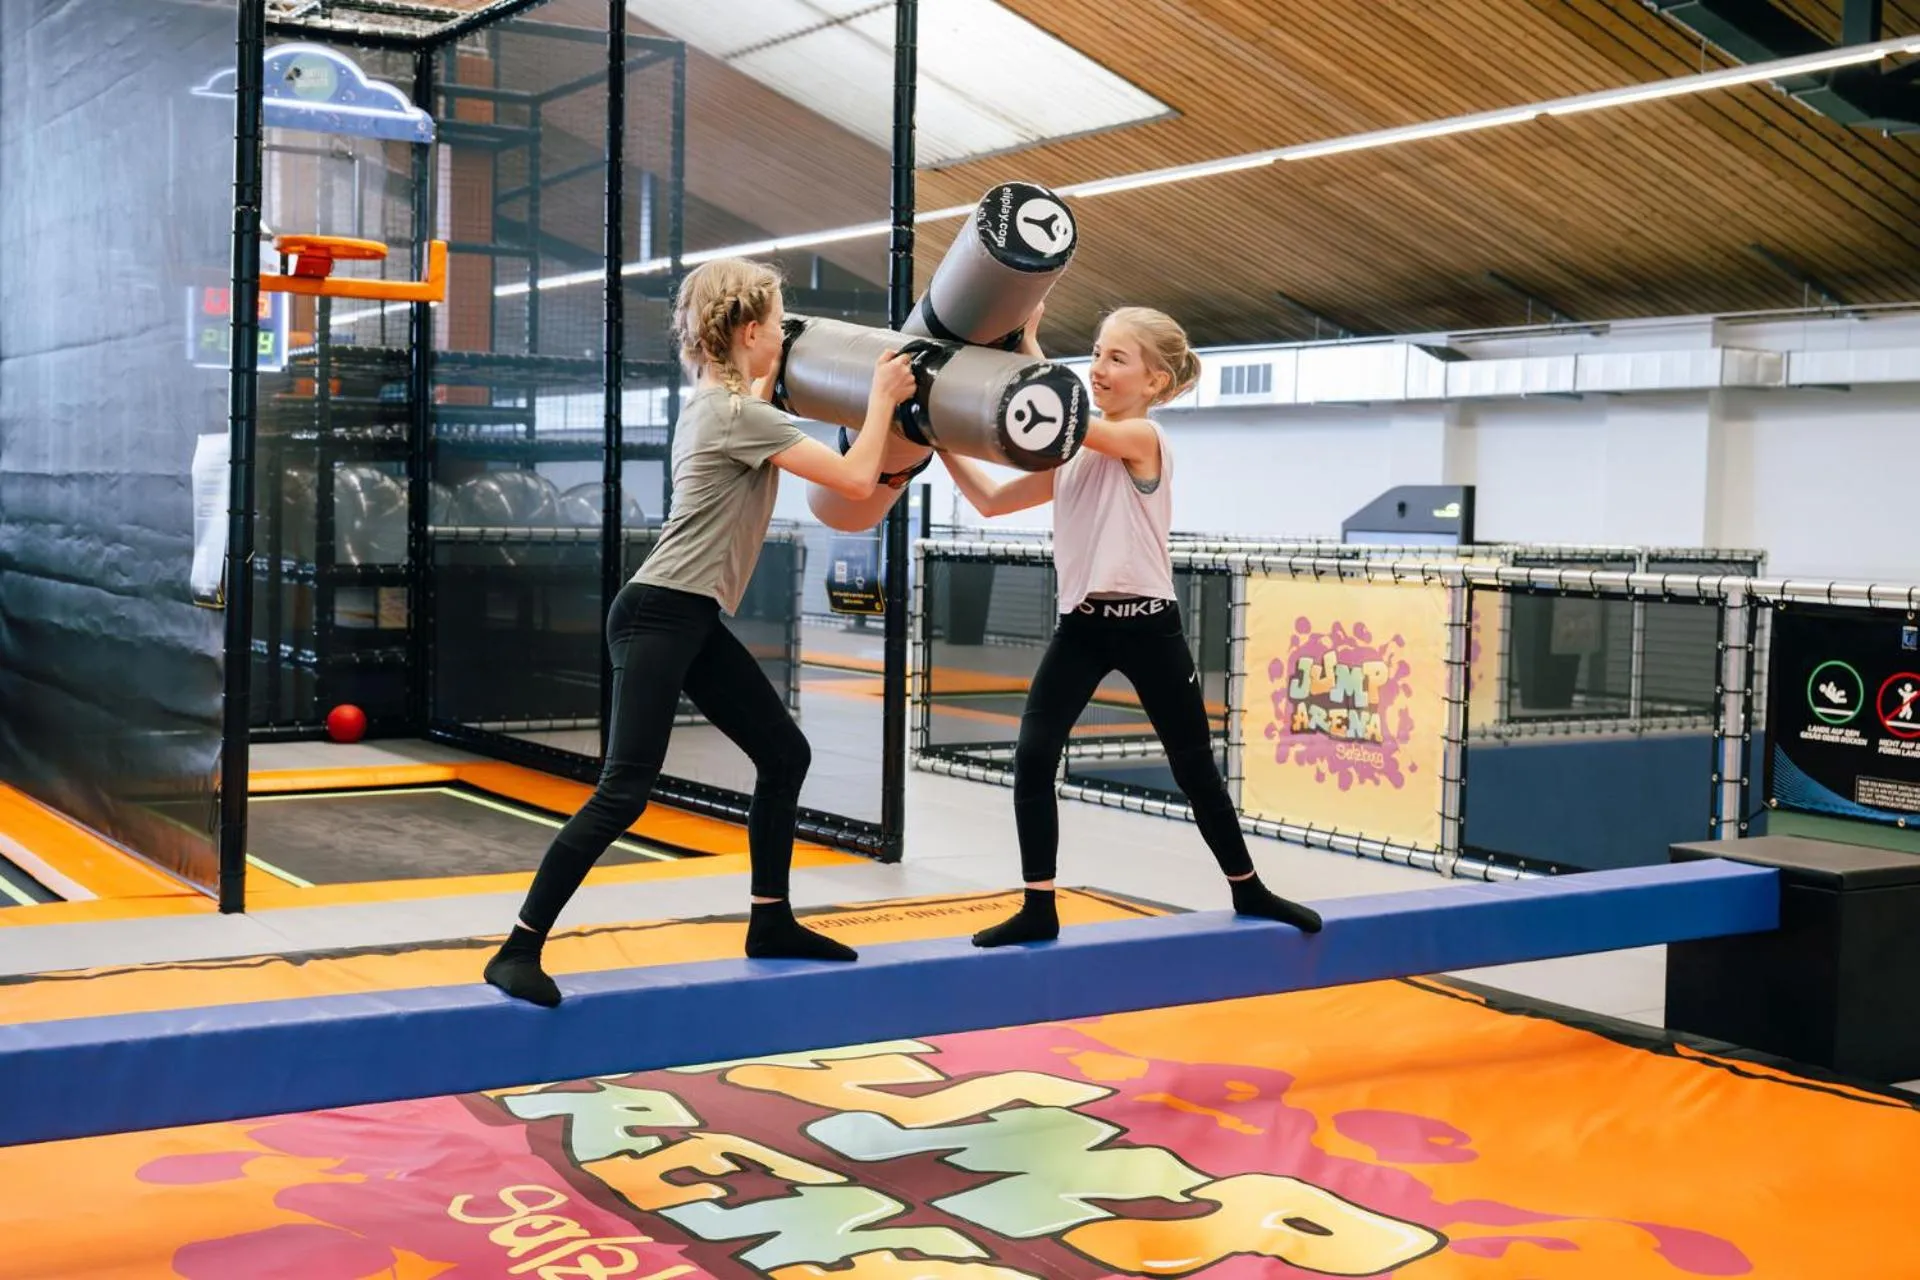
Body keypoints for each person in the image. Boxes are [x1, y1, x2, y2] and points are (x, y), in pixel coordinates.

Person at [485, 258, 917, 1006]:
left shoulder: (715, 403)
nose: (785, 336)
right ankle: (517, 949)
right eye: (778, 324)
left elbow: (757, 400)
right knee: (625, 790)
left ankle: (770, 920)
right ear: (749, 331)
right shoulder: (739, 415)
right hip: (662, 610)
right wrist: (881, 399)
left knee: (785, 754)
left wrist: (778, 375)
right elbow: (851, 480)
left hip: (686, 612)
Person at [939, 304, 1324, 946]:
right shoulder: (1071, 456)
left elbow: (1062, 417)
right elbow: (988, 500)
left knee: (1194, 768)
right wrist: (934, 440)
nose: (1098, 368)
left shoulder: (1145, 440)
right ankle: (1040, 906)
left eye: (1116, 358)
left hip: (1149, 626)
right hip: (1082, 629)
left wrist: (1032, 349)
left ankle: (1247, 887)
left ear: (1155, 384)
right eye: (1095, 353)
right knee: (1033, 758)